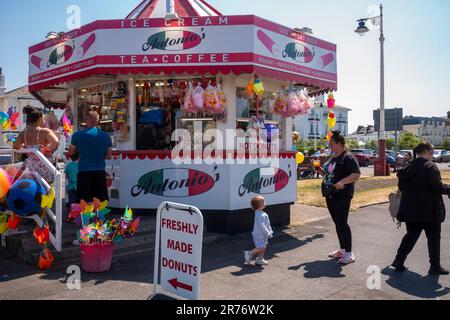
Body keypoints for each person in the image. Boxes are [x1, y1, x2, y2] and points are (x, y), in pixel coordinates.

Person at [392, 143, 450, 275]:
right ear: (427, 152)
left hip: (410, 210)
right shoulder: (430, 167)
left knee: (410, 236)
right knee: (434, 239)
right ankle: (435, 267)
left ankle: (398, 260)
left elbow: (401, 187)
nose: (433, 154)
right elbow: (437, 187)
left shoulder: (408, 166)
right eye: (432, 152)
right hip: (429, 211)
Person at [319, 131, 361, 265]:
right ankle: (342, 250)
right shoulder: (332, 157)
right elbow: (329, 173)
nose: (329, 146)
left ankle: (349, 254)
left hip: (342, 195)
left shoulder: (348, 157)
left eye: (331, 144)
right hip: (330, 193)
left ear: (338, 143)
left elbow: (356, 174)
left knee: (342, 223)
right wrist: (321, 171)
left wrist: (342, 182)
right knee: (338, 223)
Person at [69, 111, 112, 203]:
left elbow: (71, 152)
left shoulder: (77, 135)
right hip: (99, 171)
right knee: (101, 201)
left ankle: (86, 217)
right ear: (98, 121)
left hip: (84, 172)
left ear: (86, 120)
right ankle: (99, 217)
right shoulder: (106, 136)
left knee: (84, 201)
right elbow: (109, 155)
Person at [13, 106, 60, 183]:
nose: (44, 120)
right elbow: (56, 142)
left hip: (30, 168)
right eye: (44, 118)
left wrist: (27, 149)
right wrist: (48, 151)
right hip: (44, 167)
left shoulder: (23, 133)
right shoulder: (44, 131)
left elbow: (15, 146)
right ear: (39, 119)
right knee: (47, 190)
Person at [244, 196, 274, 266]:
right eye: (263, 202)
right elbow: (262, 226)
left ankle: (259, 259)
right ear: (258, 205)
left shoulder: (262, 213)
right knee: (261, 247)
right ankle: (249, 253)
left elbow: (267, 224)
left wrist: (270, 231)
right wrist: (268, 233)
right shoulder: (259, 214)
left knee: (263, 247)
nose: (265, 203)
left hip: (263, 234)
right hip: (259, 235)